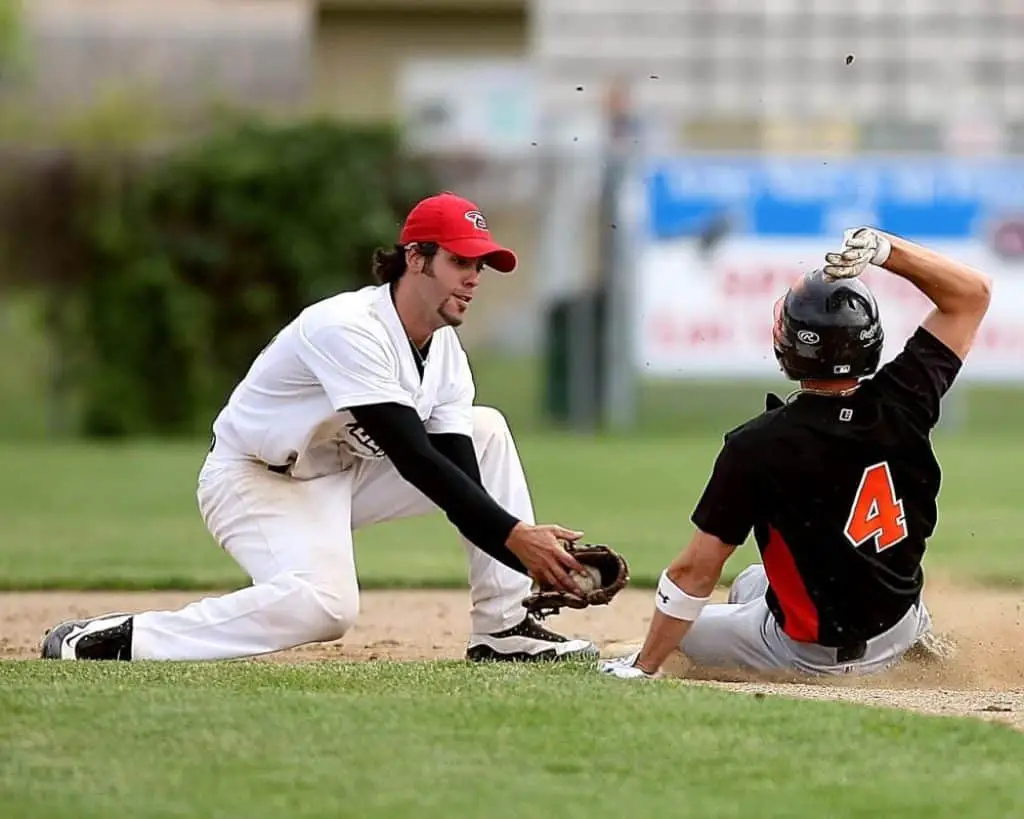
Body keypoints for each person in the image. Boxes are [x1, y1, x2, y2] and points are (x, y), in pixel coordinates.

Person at [41, 191, 599, 664]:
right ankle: (119, 639)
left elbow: (459, 476)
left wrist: (533, 558)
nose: (475, 279)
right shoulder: (349, 328)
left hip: (342, 474)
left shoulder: (445, 349)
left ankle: (503, 631)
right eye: (461, 262)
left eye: (481, 266)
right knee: (326, 607)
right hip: (256, 481)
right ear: (417, 258)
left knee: (485, 429)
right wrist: (517, 539)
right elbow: (414, 459)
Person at [600, 227, 992, 680]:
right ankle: (912, 638)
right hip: (899, 620)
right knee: (751, 581)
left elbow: (694, 572)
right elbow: (971, 294)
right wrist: (887, 250)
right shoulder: (906, 397)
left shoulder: (756, 445)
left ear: (788, 345)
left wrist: (645, 666)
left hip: (816, 654)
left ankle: (685, 659)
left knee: (676, 632)